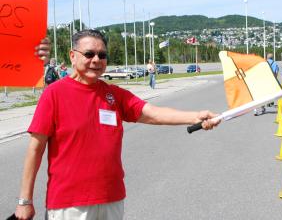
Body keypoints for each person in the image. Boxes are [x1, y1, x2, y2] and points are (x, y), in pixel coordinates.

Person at [15, 30, 220, 220]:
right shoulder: (54, 94)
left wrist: (196, 117)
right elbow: (35, 149)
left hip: (111, 199)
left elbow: (153, 114)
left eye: (102, 55)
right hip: (69, 205)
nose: (96, 60)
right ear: (72, 56)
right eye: (89, 54)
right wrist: (25, 201)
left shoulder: (114, 94)